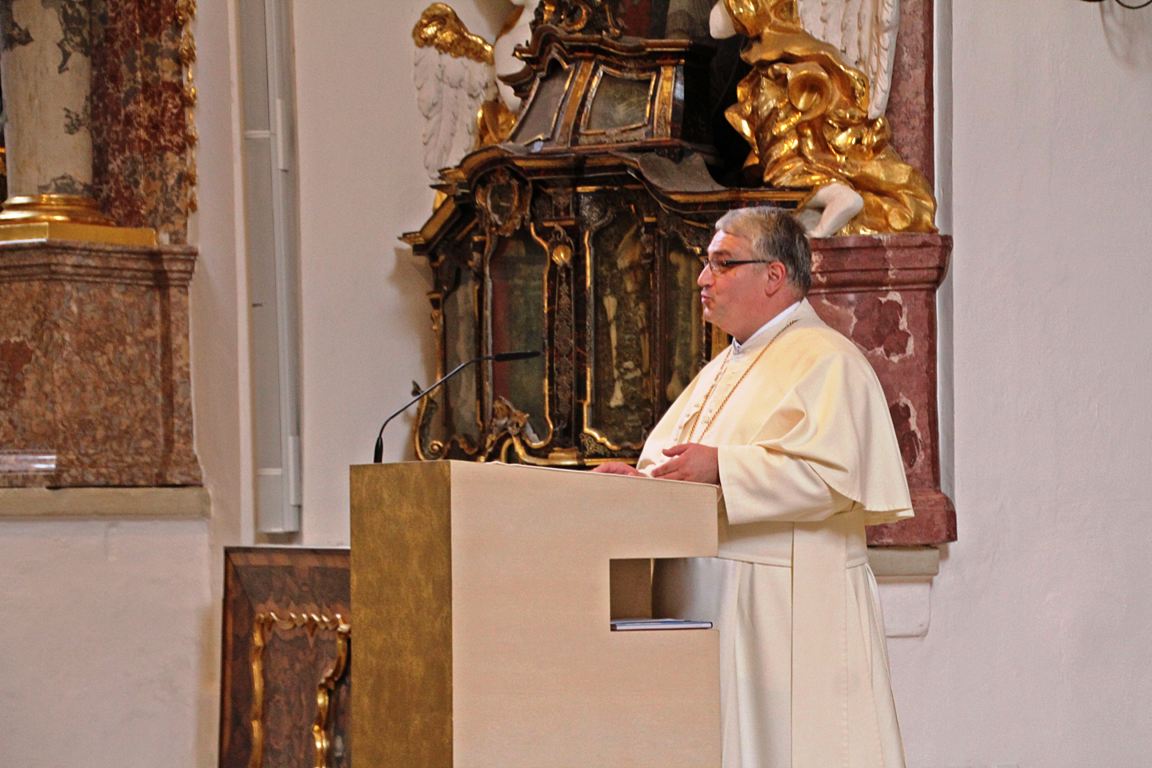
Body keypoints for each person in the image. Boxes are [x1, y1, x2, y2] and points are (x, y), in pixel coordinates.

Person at [594, 207, 911, 768]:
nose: (702, 278)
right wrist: (639, 485)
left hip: (778, 606)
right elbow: (684, 462)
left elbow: (832, 478)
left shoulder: (828, 360)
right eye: (706, 263)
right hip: (709, 601)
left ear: (774, 276)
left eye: (722, 263)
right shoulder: (721, 367)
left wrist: (723, 468)